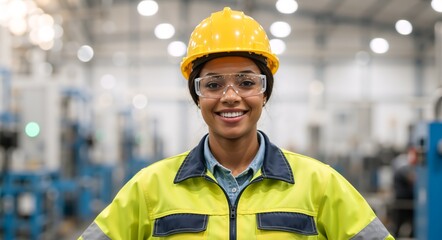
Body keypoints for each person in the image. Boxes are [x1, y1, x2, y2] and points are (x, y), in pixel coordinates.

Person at [79, 7, 394, 239]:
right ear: (197, 97)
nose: (230, 97)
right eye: (213, 85)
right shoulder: (149, 189)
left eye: (246, 82)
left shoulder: (321, 185)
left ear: (264, 93)